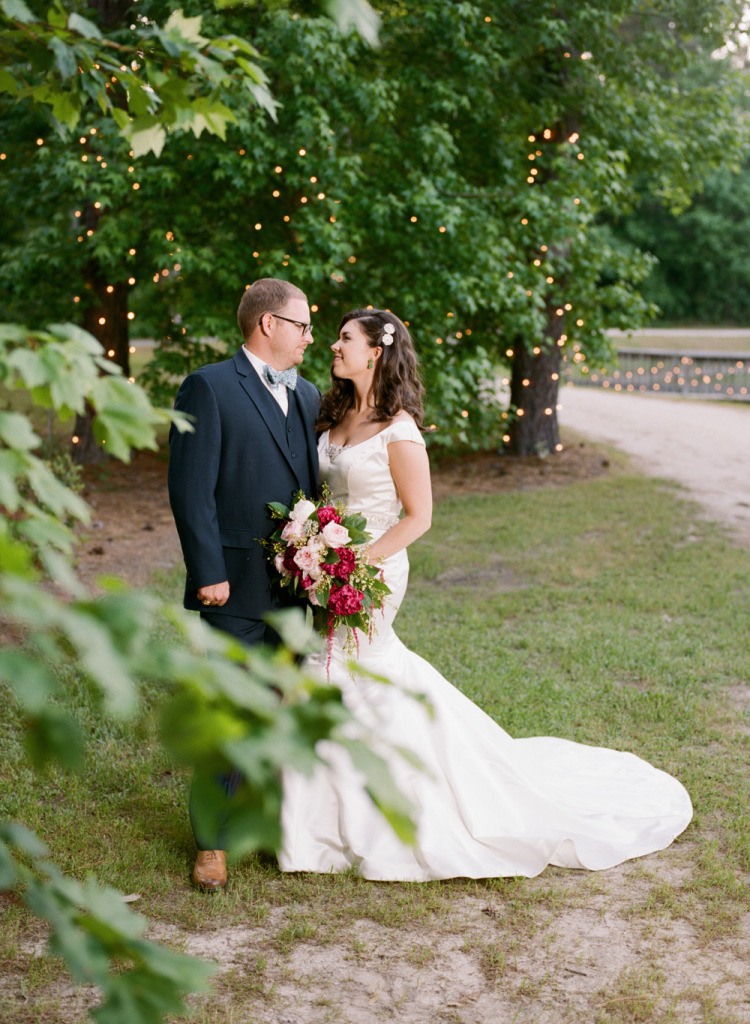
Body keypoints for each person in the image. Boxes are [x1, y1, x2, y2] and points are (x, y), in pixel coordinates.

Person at [279, 308, 693, 880]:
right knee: (328, 665)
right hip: (326, 562)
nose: (333, 345)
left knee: (354, 664)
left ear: (376, 351)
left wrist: (354, 562)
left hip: (373, 570)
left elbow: (419, 517)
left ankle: (373, 815)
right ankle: (310, 811)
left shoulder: (400, 430)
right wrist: (313, 545)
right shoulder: (333, 414)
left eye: (345, 338)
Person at [168, 278, 320, 891]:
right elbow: (190, 488)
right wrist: (210, 573)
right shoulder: (208, 386)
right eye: (303, 325)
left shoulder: (309, 395)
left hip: (296, 590)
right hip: (231, 589)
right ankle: (212, 845)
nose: (311, 336)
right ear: (268, 325)